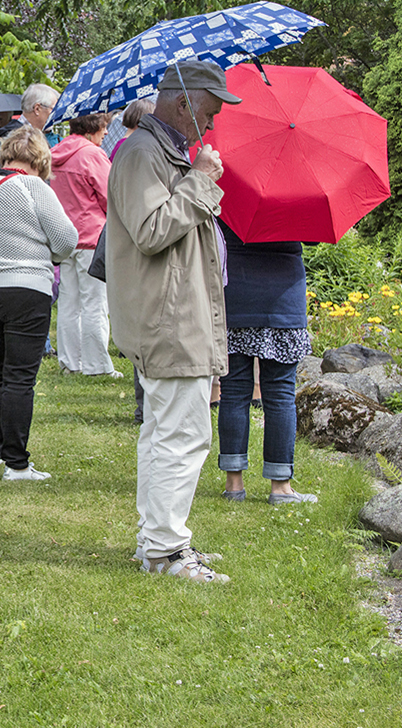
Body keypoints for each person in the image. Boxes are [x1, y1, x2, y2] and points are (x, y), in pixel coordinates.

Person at [105, 57, 240, 584]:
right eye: (208, 112)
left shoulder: (165, 153)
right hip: (166, 318)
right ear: (183, 103)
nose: (211, 125)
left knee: (167, 431)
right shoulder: (143, 153)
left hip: (170, 313)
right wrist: (201, 182)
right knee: (181, 434)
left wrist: (196, 176)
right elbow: (153, 229)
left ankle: (159, 540)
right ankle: (165, 549)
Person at [0, 126, 78, 479]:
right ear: (40, 161)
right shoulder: (34, 187)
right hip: (24, 287)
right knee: (19, 378)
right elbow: (67, 239)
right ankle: (16, 462)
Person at [217, 226, 318, 504]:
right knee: (281, 395)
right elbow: (312, 236)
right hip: (283, 300)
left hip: (235, 294)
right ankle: (280, 486)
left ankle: (233, 484)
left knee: (234, 391)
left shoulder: (229, 184)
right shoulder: (297, 185)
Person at [50, 111, 122, 378]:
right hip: (91, 237)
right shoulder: (91, 155)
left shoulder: (56, 153)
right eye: (104, 128)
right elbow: (111, 195)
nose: (105, 134)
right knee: (95, 303)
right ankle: (96, 365)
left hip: (64, 237)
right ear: (93, 128)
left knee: (69, 303)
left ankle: (70, 361)